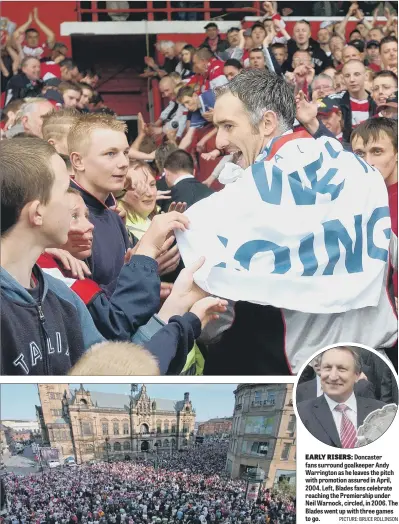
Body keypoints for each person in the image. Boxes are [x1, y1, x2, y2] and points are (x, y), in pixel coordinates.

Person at [182, 69, 396, 375]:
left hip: (297, 373)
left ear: (267, 122)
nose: (220, 140)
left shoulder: (255, 192)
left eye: (228, 125)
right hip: (375, 362)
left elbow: (220, 317)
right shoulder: (355, 168)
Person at [297, 347, 387, 448]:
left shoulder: (381, 413)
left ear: (357, 375)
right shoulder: (301, 413)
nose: (333, 376)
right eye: (327, 368)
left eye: (341, 369)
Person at [351, 118, 398, 236]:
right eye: (360, 154)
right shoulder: (351, 196)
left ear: (397, 154)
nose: (368, 162)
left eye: (377, 151)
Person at [296, 354, 376, 403]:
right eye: (313, 356)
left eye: (320, 355)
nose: (316, 361)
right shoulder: (300, 390)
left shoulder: (361, 387)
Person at [329, 60, 376, 143]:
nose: (352, 79)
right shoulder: (335, 101)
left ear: (365, 76)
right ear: (343, 79)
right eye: (347, 76)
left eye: (357, 74)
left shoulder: (376, 102)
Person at [119, 161, 159, 241]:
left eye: (152, 185)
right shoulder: (119, 224)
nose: (150, 193)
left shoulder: (157, 218)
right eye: (139, 185)